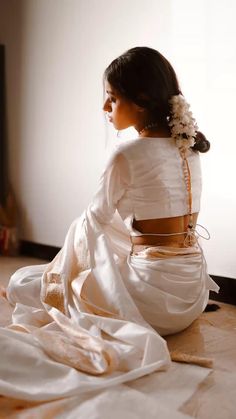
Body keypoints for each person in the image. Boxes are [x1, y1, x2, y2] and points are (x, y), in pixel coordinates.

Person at [0, 46, 219, 401]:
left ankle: (44, 290)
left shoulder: (126, 155)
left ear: (143, 100)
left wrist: (62, 277)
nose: (105, 109)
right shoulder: (188, 147)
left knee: (24, 281)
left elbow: (93, 224)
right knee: (81, 270)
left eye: (112, 99)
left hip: (155, 305)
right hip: (192, 296)